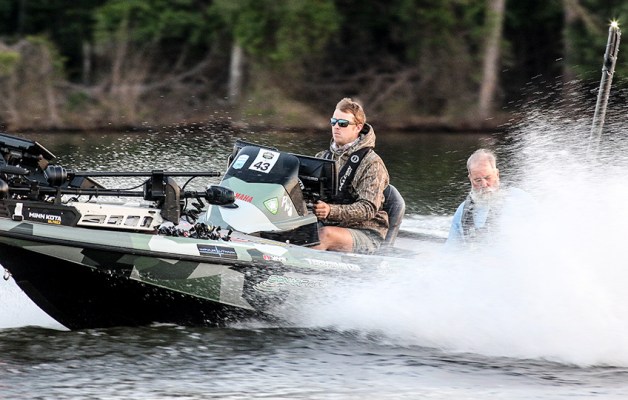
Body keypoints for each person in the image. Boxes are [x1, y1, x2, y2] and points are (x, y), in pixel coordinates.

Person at [311, 97, 389, 254]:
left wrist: (330, 211)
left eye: (343, 123)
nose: (336, 127)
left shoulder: (372, 163)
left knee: (325, 235)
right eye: (333, 122)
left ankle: (290, 267)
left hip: (365, 232)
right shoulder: (321, 157)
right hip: (327, 224)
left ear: (358, 127)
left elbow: (367, 209)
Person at [446, 148, 535, 246]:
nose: (484, 184)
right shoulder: (462, 211)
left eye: (487, 178)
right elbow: (450, 250)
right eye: (478, 180)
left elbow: (541, 233)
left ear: (497, 174)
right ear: (470, 179)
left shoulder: (520, 199)